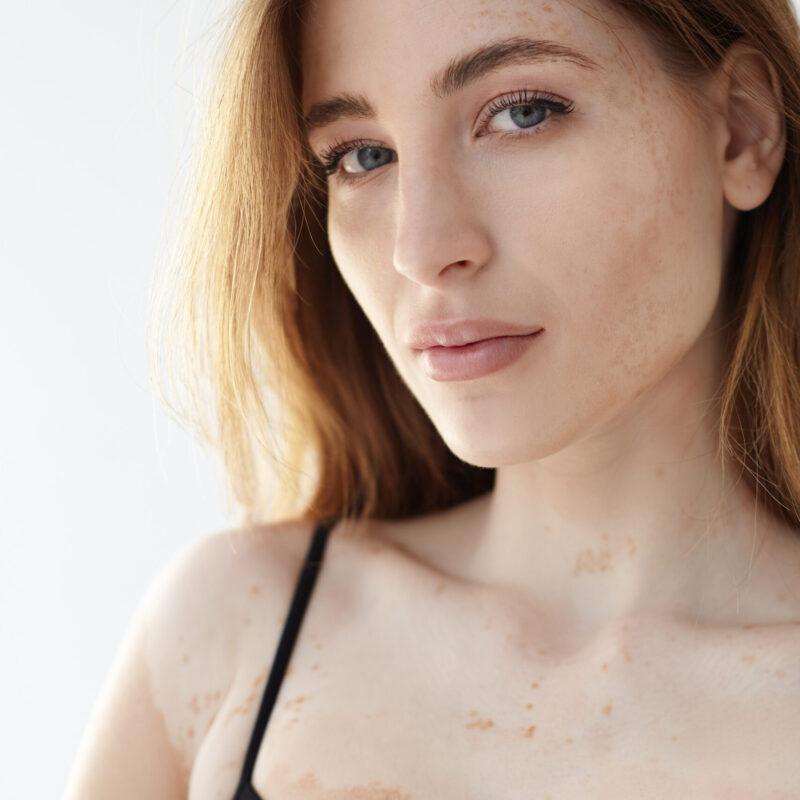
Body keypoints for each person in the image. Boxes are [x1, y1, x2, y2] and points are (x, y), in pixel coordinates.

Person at [65, 0, 800, 796]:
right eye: (360, 156)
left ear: (742, 129)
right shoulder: (233, 630)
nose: (421, 249)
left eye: (522, 113)